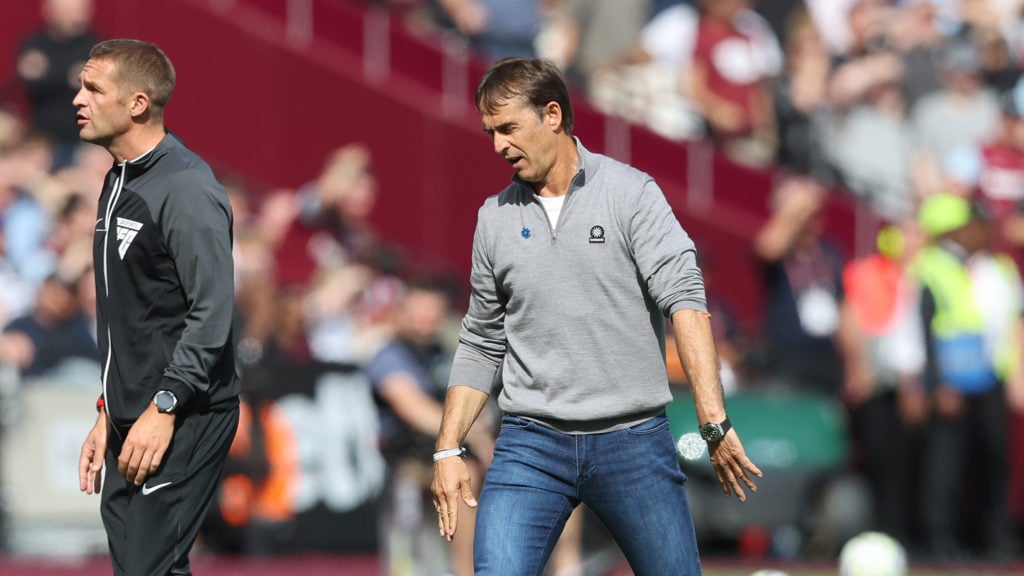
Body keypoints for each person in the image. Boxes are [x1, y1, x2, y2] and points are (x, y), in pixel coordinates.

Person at [430, 57, 761, 575]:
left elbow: (686, 303)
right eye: (490, 132)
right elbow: (480, 341)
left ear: (553, 115)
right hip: (530, 444)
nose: (498, 146)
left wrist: (713, 421)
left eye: (509, 128)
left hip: (633, 442)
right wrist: (447, 450)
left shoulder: (632, 193)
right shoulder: (493, 218)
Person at [73, 39, 240, 575]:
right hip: (130, 415)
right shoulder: (117, 181)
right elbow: (128, 317)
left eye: (93, 88)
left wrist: (165, 405)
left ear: (137, 103)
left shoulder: (185, 187)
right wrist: (107, 412)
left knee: (148, 569)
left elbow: (211, 311)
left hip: (183, 413)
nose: (78, 98)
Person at [914, 193, 1024, 561]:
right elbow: (926, 329)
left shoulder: (996, 268)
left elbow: (1010, 321)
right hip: (953, 377)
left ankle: (994, 539)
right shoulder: (931, 267)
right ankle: (940, 540)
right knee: (947, 463)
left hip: (990, 375)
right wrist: (938, 381)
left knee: (995, 461)